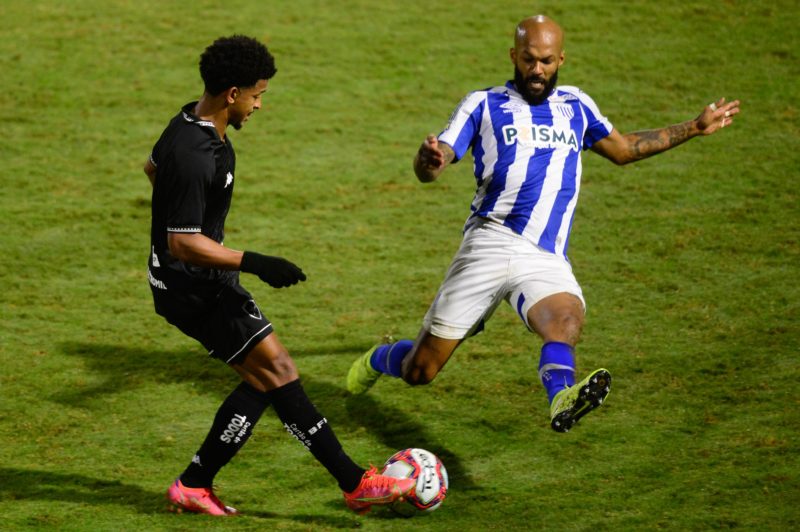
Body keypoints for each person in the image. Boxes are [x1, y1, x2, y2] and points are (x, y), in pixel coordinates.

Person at [347, 15, 740, 432]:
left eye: (547, 61)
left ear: (561, 60)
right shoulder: (483, 104)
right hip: (489, 245)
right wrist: (429, 161)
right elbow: (437, 159)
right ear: (514, 56)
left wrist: (694, 127)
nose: (537, 69)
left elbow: (624, 149)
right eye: (529, 59)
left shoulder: (577, 106)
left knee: (566, 321)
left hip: (545, 255)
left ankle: (562, 398)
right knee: (420, 370)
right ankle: (379, 358)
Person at [143, 35, 414, 516]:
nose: (259, 106)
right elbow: (182, 242)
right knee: (278, 371)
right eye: (257, 95)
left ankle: (195, 483)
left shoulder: (189, 122)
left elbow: (152, 168)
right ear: (232, 94)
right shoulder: (194, 152)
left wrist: (187, 213)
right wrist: (253, 261)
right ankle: (354, 483)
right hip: (193, 288)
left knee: (268, 376)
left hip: (197, 279)